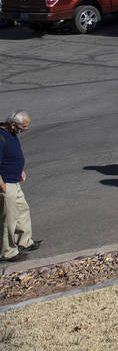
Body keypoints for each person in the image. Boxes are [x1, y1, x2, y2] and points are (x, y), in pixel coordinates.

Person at [0, 111, 39, 262]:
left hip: (14, 180)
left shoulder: (11, 134)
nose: (24, 130)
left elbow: (12, 155)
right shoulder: (1, 137)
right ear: (13, 124)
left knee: (22, 210)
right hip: (6, 184)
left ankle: (24, 241)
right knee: (7, 219)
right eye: (22, 127)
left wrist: (19, 170)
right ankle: (7, 251)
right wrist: (2, 185)